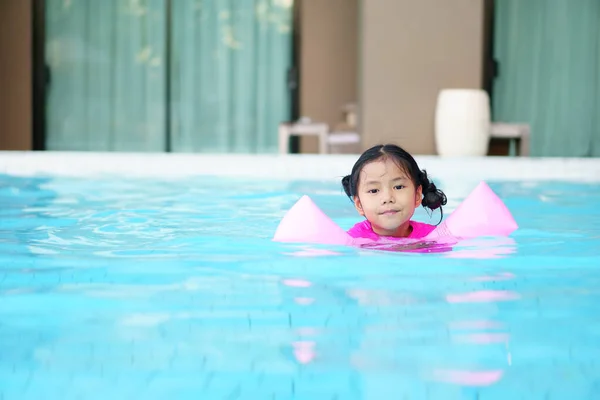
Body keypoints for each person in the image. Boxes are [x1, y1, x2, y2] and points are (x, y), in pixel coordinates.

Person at [341, 144, 447, 240]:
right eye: (374, 190)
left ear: (417, 195)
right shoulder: (353, 240)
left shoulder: (432, 237)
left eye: (398, 187)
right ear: (359, 205)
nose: (387, 198)